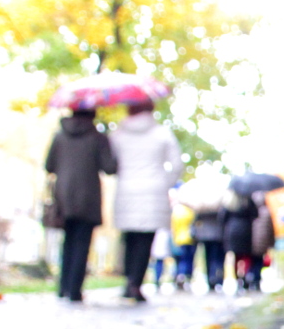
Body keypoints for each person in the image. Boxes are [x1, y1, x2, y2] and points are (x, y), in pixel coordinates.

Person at [109, 100, 181, 302]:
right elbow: (176, 165)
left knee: (129, 236)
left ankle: (128, 281)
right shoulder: (162, 133)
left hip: (126, 189)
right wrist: (164, 182)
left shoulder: (118, 135)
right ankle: (135, 282)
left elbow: (110, 162)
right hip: (154, 191)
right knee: (145, 238)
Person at [44, 108, 117, 303]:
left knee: (67, 242)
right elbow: (110, 167)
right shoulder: (98, 137)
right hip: (88, 197)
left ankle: (63, 287)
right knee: (82, 243)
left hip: (64, 196)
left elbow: (49, 165)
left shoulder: (60, 135)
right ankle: (74, 289)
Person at [220, 189, 257, 292]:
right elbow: (255, 214)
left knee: (235, 257)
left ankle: (237, 277)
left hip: (232, 230)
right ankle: (245, 274)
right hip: (246, 230)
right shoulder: (248, 201)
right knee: (246, 255)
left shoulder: (230, 202)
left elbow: (222, 217)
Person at [191, 209, 226, 292]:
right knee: (217, 258)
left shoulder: (203, 206)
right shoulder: (219, 206)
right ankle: (217, 278)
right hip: (218, 234)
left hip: (205, 235)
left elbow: (196, 218)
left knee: (208, 258)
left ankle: (211, 279)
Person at [248, 190, 276, 291]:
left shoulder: (249, 210)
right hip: (262, 242)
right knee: (259, 261)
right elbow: (271, 229)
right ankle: (256, 280)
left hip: (250, 242)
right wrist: (272, 243)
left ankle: (250, 277)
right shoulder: (267, 211)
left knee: (251, 260)